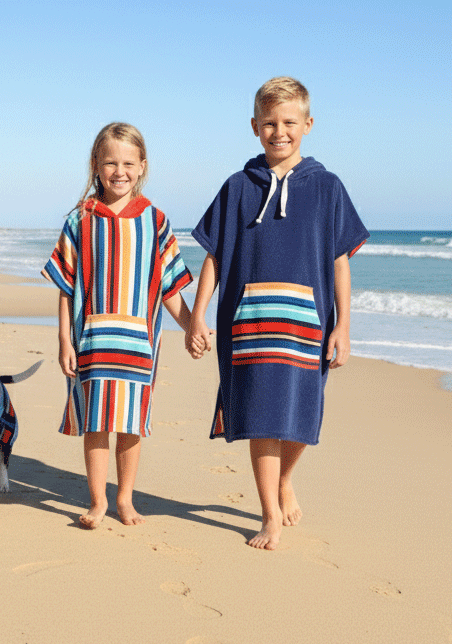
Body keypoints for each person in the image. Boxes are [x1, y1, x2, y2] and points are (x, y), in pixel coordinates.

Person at [186, 77, 369, 550]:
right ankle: (268, 513)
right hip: (248, 322)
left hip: (307, 321)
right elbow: (214, 256)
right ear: (254, 126)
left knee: (302, 417)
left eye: (289, 122)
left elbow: (339, 261)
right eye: (269, 123)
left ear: (307, 125)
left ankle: (286, 478)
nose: (279, 131)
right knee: (260, 417)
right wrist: (199, 315)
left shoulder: (328, 187)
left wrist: (343, 327)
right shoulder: (236, 187)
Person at [43, 122, 194, 528]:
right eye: (110, 162)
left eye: (128, 162)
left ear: (142, 166)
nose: (119, 171)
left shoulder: (156, 221)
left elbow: (169, 289)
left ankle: (125, 498)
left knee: (130, 425)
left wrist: (194, 325)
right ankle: (98, 501)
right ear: (95, 165)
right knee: (95, 423)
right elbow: (65, 286)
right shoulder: (81, 220)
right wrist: (63, 339)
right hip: (90, 338)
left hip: (138, 343)